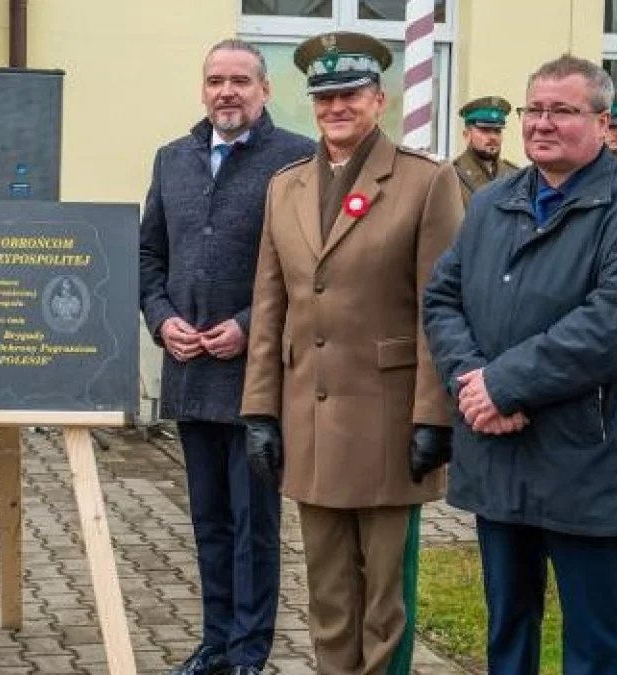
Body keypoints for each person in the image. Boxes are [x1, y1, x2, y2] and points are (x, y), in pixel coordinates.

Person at [424, 54, 617, 675]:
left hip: (588, 460)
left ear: (602, 120)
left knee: (596, 646)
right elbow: (442, 296)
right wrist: (471, 382)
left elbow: (615, 323)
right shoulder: (494, 201)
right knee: (508, 633)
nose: (541, 124)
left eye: (563, 110)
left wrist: (501, 384)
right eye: (535, 110)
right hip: (499, 458)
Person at [241, 31, 462, 675]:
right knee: (329, 594)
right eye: (325, 96)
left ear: (379, 100)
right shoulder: (285, 187)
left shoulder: (427, 182)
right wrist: (259, 408)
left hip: (390, 420)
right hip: (309, 420)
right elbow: (269, 304)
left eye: (350, 95)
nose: (336, 107)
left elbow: (440, 308)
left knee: (384, 603)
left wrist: (434, 415)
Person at [139, 38, 313, 675]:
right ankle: (215, 643)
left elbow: (306, 267)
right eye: (216, 80)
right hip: (189, 369)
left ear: (265, 90)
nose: (227, 91)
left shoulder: (296, 159)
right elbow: (148, 256)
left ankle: (249, 651)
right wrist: (162, 321)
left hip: (256, 376)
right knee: (210, 522)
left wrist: (247, 326)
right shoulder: (172, 160)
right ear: (202, 89)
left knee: (253, 526)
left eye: (241, 80)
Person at [452, 96, 521, 205]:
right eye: (485, 130)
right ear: (467, 135)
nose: (493, 137)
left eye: (497, 131)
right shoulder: (452, 175)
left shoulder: (515, 175)